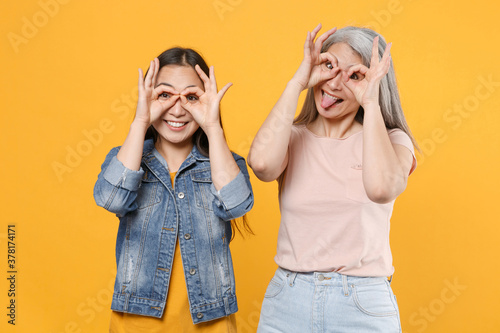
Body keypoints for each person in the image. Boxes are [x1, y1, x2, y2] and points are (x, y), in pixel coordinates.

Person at [248, 25, 418, 332]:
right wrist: (297, 82)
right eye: (329, 66)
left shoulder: (393, 141)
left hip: (361, 303)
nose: (336, 83)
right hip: (288, 298)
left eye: (355, 76)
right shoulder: (292, 138)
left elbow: (381, 189)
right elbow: (261, 165)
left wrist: (370, 102)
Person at [93, 47, 254, 332]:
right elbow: (112, 199)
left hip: (211, 322)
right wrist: (140, 121)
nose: (178, 109)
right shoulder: (126, 158)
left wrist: (213, 126)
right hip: (137, 323)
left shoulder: (226, 163)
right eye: (165, 95)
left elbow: (237, 205)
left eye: (192, 97)